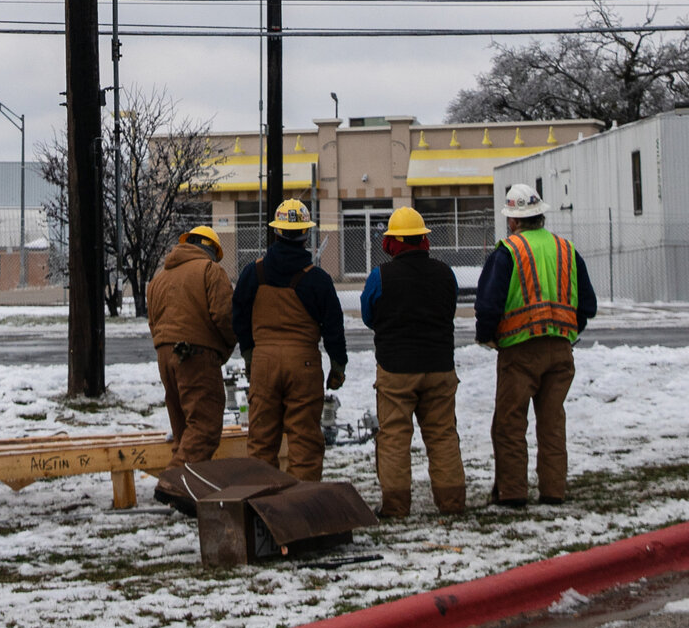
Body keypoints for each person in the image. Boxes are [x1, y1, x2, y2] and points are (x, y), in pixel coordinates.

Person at [475, 182, 598, 508]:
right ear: (540, 216)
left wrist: (488, 335)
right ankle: (553, 491)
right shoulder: (566, 249)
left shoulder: (508, 251)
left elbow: (488, 304)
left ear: (513, 220)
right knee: (552, 424)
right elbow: (588, 305)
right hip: (560, 350)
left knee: (510, 425)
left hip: (519, 351)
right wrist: (568, 331)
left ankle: (513, 494)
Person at [360, 205, 465, 518]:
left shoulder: (380, 276)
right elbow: (449, 307)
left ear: (392, 243)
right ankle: (452, 502)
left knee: (393, 437)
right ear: (423, 240)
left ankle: (395, 505)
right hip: (440, 367)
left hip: (395, 370)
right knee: (443, 435)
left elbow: (368, 315)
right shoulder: (445, 273)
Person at [233, 198, 346, 481]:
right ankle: (302, 507)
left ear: (276, 232)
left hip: (264, 363)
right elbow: (333, 324)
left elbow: (239, 316)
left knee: (261, 440)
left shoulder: (253, 273)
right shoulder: (317, 279)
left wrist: (249, 355)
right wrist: (337, 365)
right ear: (306, 234)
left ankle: (262, 504)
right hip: (304, 363)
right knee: (305, 440)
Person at [146, 224, 236, 465]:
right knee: (204, 427)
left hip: (165, 357)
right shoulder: (210, 270)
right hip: (196, 356)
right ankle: (174, 482)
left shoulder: (159, 278)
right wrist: (225, 349)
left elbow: (153, 322)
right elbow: (225, 316)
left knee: (183, 431)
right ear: (213, 251)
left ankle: (185, 492)